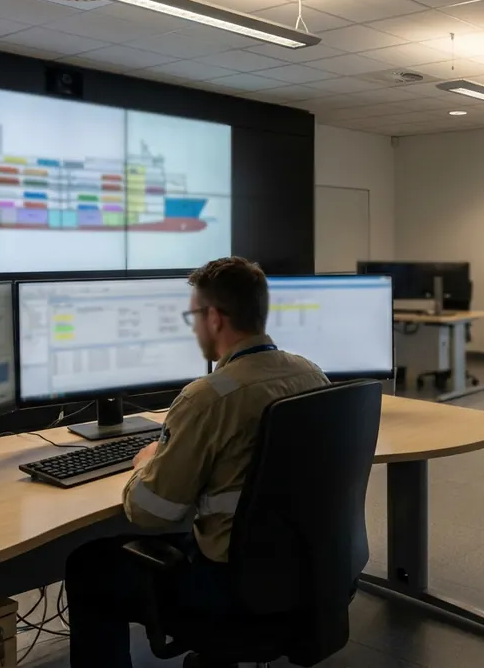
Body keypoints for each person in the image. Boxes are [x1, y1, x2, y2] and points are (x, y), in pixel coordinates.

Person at [65, 256, 329, 668]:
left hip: (229, 584)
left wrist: (146, 464)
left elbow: (154, 512)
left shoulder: (207, 397)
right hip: (306, 569)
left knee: (88, 565)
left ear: (214, 318)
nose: (193, 328)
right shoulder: (311, 374)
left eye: (193, 317)